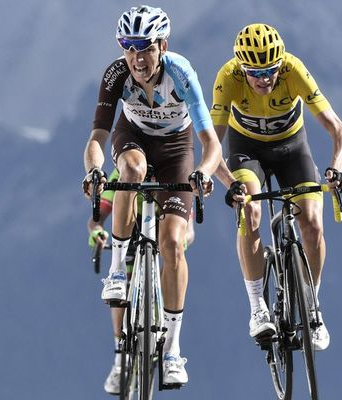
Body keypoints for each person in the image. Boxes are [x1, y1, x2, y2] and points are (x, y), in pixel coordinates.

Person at [82, 5, 234, 386]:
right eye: (127, 47)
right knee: (129, 171)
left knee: (173, 246)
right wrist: (95, 171)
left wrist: (201, 172)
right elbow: (97, 138)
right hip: (131, 138)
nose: (136, 57)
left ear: (162, 45)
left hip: (176, 150)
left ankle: (173, 351)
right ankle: (118, 270)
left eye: (145, 47)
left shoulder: (181, 73)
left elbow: (210, 143)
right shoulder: (117, 73)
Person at [210, 23, 342, 351]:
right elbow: (212, 149)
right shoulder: (228, 78)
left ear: (281, 63)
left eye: (271, 70)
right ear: (241, 68)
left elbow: (340, 131)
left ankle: (311, 306)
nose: (264, 79)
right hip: (246, 151)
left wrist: (336, 170)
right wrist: (230, 184)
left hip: (292, 149)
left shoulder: (294, 70)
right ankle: (257, 307)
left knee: (313, 224)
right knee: (251, 210)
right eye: (254, 72)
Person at [87, 168, 195, 394]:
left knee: (172, 262)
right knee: (121, 292)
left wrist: (180, 242)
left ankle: (167, 342)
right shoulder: (121, 174)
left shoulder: (175, 173)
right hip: (130, 234)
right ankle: (119, 359)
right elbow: (96, 220)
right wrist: (97, 233)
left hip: (161, 234)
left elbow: (189, 230)